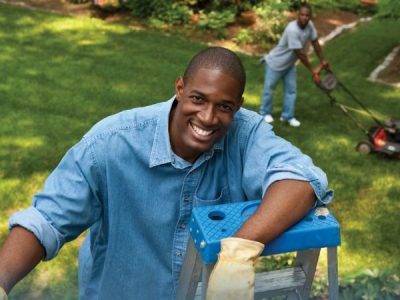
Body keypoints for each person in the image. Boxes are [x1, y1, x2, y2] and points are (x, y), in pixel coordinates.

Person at [0, 47, 333, 300]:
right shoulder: (111, 142)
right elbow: (47, 220)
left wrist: (240, 250)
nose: (208, 117)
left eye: (225, 106)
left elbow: (302, 180)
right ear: (179, 88)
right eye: (198, 99)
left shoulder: (246, 135)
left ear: (239, 105)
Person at [259, 3, 329, 127]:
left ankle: (287, 116)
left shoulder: (309, 26)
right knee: (269, 90)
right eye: (302, 15)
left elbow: (315, 43)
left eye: (307, 15)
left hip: (289, 65)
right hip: (275, 63)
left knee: (291, 91)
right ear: (298, 15)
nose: (304, 17)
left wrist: (323, 60)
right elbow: (300, 54)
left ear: (310, 17)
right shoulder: (292, 30)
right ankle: (265, 113)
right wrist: (313, 69)